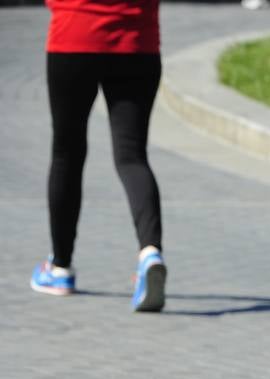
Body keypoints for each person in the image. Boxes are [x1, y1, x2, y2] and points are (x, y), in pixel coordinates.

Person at [32, 0, 168, 313]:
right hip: (138, 39)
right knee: (132, 155)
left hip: (73, 34)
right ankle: (150, 252)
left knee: (67, 151)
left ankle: (60, 268)